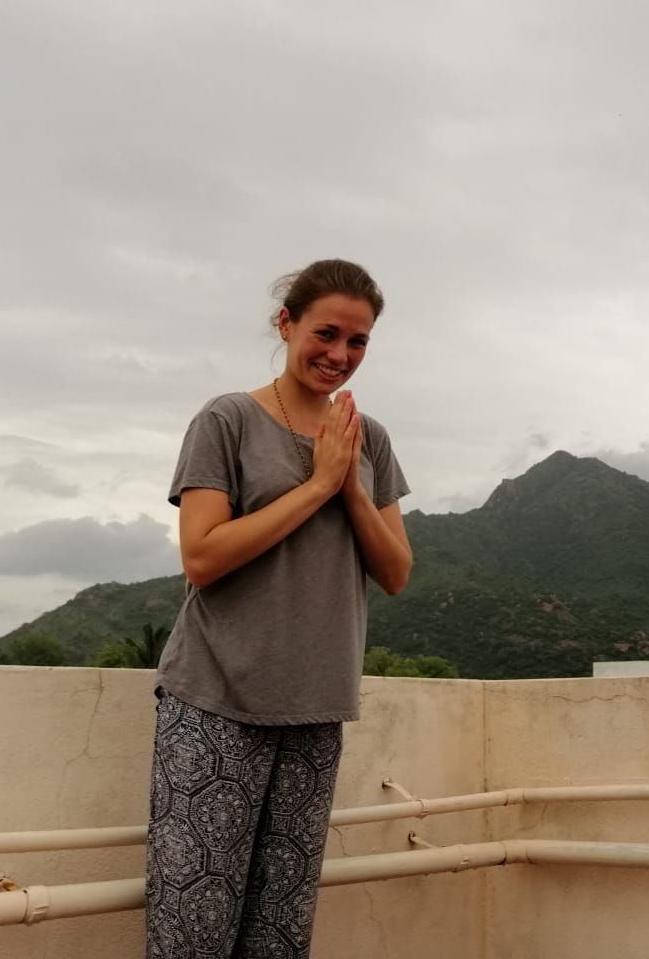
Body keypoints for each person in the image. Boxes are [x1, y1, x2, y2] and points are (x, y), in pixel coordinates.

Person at [145, 258, 413, 958]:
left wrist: (349, 486)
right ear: (286, 323)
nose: (340, 355)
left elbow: (395, 571)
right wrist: (318, 485)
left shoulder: (368, 438)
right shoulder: (227, 419)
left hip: (316, 707)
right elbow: (202, 557)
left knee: (280, 934)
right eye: (326, 333)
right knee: (193, 931)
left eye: (358, 342)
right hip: (216, 701)